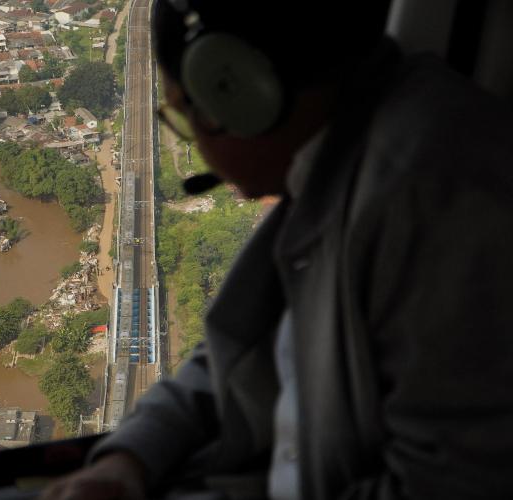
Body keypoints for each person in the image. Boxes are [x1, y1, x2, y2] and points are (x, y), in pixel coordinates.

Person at [42, 1, 513, 499]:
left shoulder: (433, 202)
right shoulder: (340, 162)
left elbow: (453, 483)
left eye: (186, 117)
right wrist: (130, 456)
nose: (199, 153)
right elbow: (249, 349)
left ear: (242, 94)